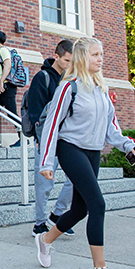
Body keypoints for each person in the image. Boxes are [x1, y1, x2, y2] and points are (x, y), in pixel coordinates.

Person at [35, 37, 135, 269]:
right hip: (70, 148)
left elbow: (112, 128)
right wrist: (46, 162)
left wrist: (128, 145)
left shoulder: (101, 89)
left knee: (80, 210)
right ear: (83, 57)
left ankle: (45, 239)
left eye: (101, 54)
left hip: (93, 151)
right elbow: (51, 125)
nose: (100, 58)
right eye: (95, 54)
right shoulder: (68, 88)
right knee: (98, 204)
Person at [27, 39, 75, 237]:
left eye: (73, 61)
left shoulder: (71, 80)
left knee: (75, 180)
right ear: (56, 56)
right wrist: (42, 140)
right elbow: (36, 114)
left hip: (68, 140)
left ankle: (57, 215)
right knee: (44, 184)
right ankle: (39, 223)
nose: (69, 65)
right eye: (66, 60)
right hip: (46, 140)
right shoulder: (43, 77)